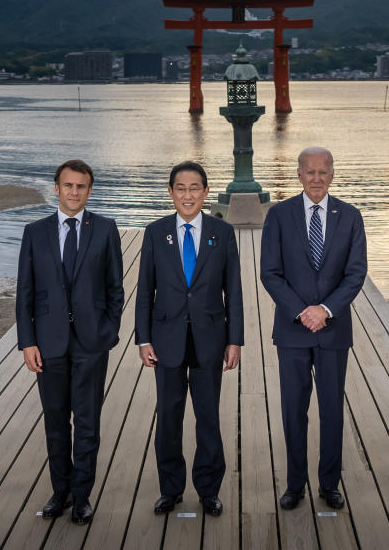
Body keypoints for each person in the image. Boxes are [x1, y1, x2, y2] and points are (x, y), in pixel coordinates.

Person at [16, 159, 124, 525]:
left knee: (88, 422)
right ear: (57, 188)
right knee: (56, 422)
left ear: (89, 191)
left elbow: (115, 289)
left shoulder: (106, 229)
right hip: (49, 343)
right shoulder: (35, 232)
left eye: (81, 186)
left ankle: (82, 496)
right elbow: (25, 294)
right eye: (68, 185)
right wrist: (27, 342)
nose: (74, 192)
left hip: (92, 343)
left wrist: (108, 333)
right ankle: (59, 492)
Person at [259, 146, 367, 511]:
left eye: (323, 171)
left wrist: (325, 310)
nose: (316, 178)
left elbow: (355, 273)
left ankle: (329, 483)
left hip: (333, 328)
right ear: (299, 174)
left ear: (333, 174)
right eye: (310, 171)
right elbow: (269, 272)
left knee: (332, 408)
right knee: (293, 408)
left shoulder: (350, 216)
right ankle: (294, 484)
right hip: (292, 330)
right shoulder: (278, 215)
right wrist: (301, 310)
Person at [135, 161, 244, 516]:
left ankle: (209, 489)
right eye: (180, 188)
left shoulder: (222, 233)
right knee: (168, 415)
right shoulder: (155, 233)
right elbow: (144, 291)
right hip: (166, 339)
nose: (187, 195)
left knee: (208, 416)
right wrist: (143, 339)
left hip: (210, 338)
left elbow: (235, 292)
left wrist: (235, 340)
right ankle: (171, 488)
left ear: (206, 192)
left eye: (194, 188)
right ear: (170, 193)